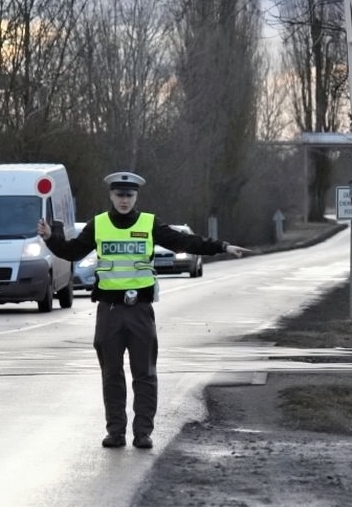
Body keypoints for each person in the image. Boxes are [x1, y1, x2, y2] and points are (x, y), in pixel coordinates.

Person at [37, 171, 250, 449]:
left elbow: (184, 242)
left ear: (136, 196)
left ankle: (143, 433)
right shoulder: (98, 225)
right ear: (111, 196)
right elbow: (73, 251)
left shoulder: (149, 224)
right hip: (109, 311)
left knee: (145, 374)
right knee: (111, 374)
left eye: (129, 195)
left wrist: (221, 246)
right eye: (119, 195)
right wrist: (50, 237)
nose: (124, 200)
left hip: (140, 311)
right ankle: (115, 432)